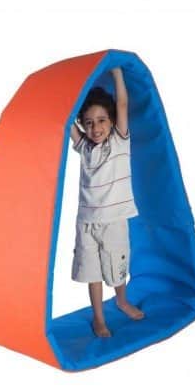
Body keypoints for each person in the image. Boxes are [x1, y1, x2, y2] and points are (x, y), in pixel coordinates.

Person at [70, 67, 145, 337]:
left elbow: (122, 103)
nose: (96, 127)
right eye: (89, 122)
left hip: (114, 221)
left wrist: (116, 73)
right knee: (92, 272)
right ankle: (98, 318)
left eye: (102, 120)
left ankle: (122, 301)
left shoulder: (119, 141)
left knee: (116, 268)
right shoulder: (84, 147)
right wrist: (63, 92)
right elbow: (65, 119)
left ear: (112, 121)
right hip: (87, 222)